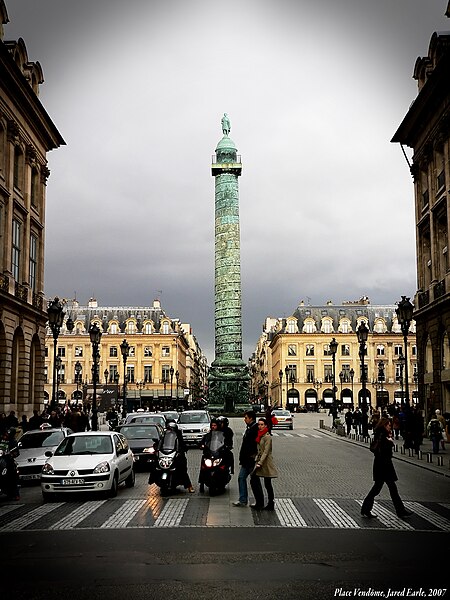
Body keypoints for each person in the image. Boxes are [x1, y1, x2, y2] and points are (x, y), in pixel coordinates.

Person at [361, 417, 412, 519]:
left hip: (382, 465)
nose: (390, 427)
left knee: (386, 489)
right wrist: (390, 442)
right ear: (384, 425)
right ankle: (399, 511)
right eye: (389, 425)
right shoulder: (382, 435)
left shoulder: (382, 434)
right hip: (383, 466)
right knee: (381, 489)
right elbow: (381, 451)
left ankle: (366, 509)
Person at [232, 410, 263, 508]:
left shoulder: (254, 429)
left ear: (251, 418)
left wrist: (255, 455)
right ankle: (243, 499)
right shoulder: (250, 428)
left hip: (251, 460)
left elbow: (256, 444)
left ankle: (259, 502)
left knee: (254, 481)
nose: (244, 419)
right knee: (241, 478)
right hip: (246, 460)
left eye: (246, 418)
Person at [254, 417, 278, 510]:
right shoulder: (260, 435)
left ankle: (270, 503)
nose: (260, 426)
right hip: (260, 461)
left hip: (266, 463)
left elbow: (266, 451)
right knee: (257, 479)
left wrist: (260, 462)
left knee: (268, 483)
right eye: (259, 424)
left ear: (266, 426)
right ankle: (260, 501)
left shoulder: (267, 437)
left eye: (262, 425)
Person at [164, 421, 194, 493]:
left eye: (171, 429)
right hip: (167, 454)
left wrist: (181, 450)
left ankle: (189, 486)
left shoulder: (178, 434)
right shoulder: (164, 434)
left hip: (177, 455)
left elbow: (182, 443)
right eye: (168, 429)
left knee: (182, 469)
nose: (169, 430)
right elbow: (161, 442)